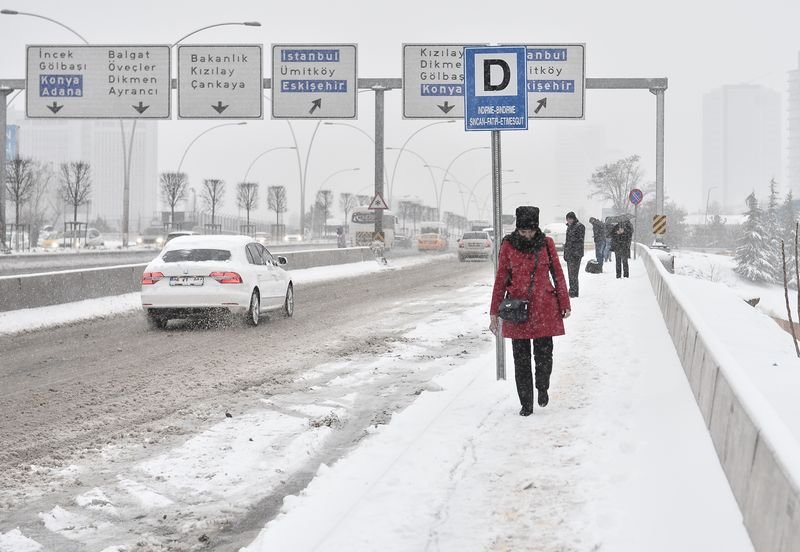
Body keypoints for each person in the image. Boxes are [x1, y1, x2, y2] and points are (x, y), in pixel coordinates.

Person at [489, 206, 571, 416]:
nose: (527, 235)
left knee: (544, 356)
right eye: (523, 231)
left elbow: (558, 274)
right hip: (518, 311)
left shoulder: (546, 244)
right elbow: (501, 279)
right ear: (517, 229)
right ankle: (526, 403)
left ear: (537, 228)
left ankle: (542, 387)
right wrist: (494, 312)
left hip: (544, 308)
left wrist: (564, 303)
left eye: (531, 231)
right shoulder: (508, 245)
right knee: (521, 361)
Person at [563, 211, 585, 298]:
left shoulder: (580, 226)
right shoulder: (569, 227)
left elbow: (579, 240)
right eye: (567, 219)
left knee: (574, 274)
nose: (568, 221)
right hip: (570, 254)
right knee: (570, 274)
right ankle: (572, 290)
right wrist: (566, 252)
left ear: (573, 218)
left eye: (570, 219)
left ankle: (574, 292)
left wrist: (574, 251)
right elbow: (567, 241)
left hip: (576, 254)